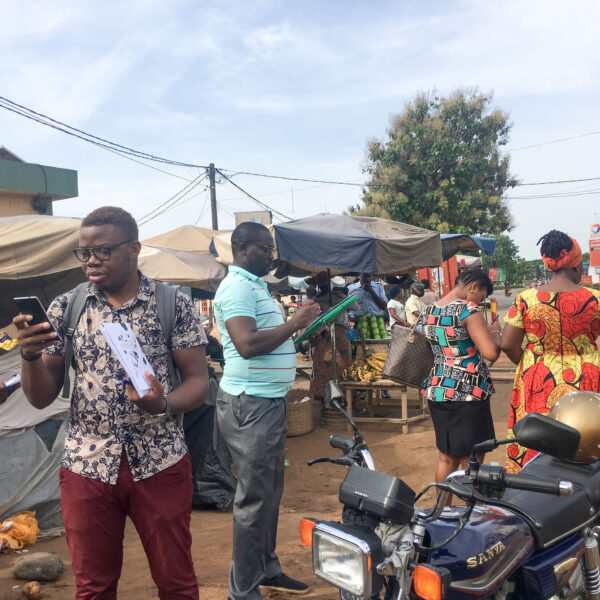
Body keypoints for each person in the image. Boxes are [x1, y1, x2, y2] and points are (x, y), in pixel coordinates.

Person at [13, 206, 208, 600]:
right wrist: (30, 355)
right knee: (94, 588)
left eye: (102, 251)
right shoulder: (66, 308)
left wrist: (163, 404)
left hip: (160, 462)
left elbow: (198, 382)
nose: (90, 261)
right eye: (83, 253)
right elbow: (40, 397)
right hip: (87, 465)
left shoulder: (172, 305)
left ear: (134, 248)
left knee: (176, 584)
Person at [213, 221, 320, 600]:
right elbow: (246, 344)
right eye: (264, 249)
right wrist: (295, 323)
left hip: (268, 401)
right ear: (242, 249)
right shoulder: (238, 287)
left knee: (270, 491)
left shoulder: (257, 286)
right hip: (249, 405)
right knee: (253, 498)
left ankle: (267, 566)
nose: (271, 256)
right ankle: (241, 589)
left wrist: (300, 329)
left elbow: (270, 341)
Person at [501, 230, 600, 473]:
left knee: (537, 437)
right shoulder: (595, 299)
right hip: (586, 375)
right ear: (576, 262)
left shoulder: (526, 299)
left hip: (537, 377)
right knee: (586, 436)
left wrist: (531, 363)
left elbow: (507, 344)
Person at [422, 268, 501, 485]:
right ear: (474, 287)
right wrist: (495, 332)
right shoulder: (467, 310)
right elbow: (491, 352)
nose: (480, 301)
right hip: (468, 392)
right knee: (472, 459)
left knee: (446, 459)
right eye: (481, 296)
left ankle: (441, 511)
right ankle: (472, 513)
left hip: (438, 389)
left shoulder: (429, 310)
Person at [309, 273, 354, 401]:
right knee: (324, 368)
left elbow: (352, 307)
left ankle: (344, 398)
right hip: (324, 335)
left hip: (339, 334)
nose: (322, 284)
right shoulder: (315, 300)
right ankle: (324, 400)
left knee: (342, 367)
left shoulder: (337, 296)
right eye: (320, 281)